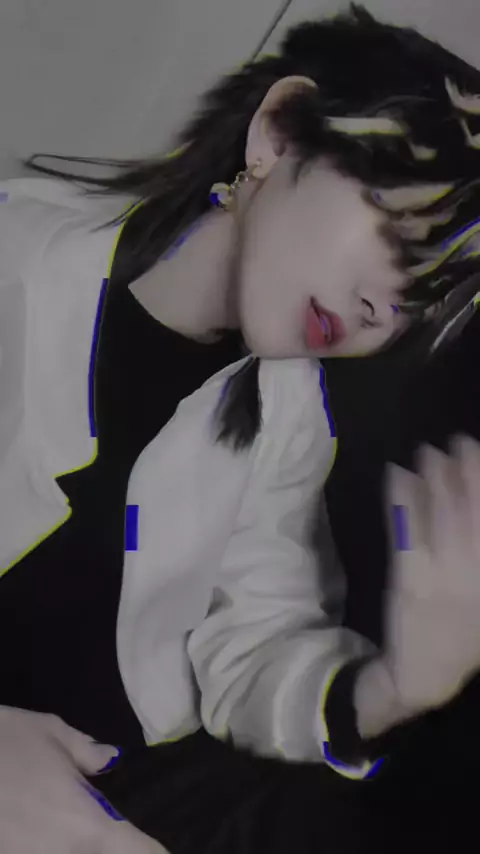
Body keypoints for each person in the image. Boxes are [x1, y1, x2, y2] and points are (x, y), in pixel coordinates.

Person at [2, 5, 480, 853]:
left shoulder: (288, 419)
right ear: (279, 133)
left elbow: (255, 643)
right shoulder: (16, 263)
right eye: (400, 234)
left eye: (419, 298)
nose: (384, 307)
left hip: (132, 779)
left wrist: (397, 686)